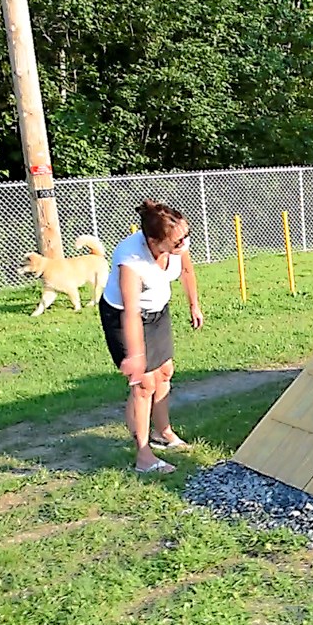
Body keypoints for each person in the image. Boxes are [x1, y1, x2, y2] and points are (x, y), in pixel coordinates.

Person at [99, 200, 205, 473]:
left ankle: (163, 432)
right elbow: (131, 312)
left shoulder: (177, 241)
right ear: (154, 241)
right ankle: (143, 456)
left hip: (158, 310)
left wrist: (194, 305)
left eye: (186, 235)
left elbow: (186, 270)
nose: (185, 243)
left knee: (165, 372)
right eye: (178, 241)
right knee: (144, 384)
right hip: (123, 317)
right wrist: (136, 355)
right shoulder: (130, 261)